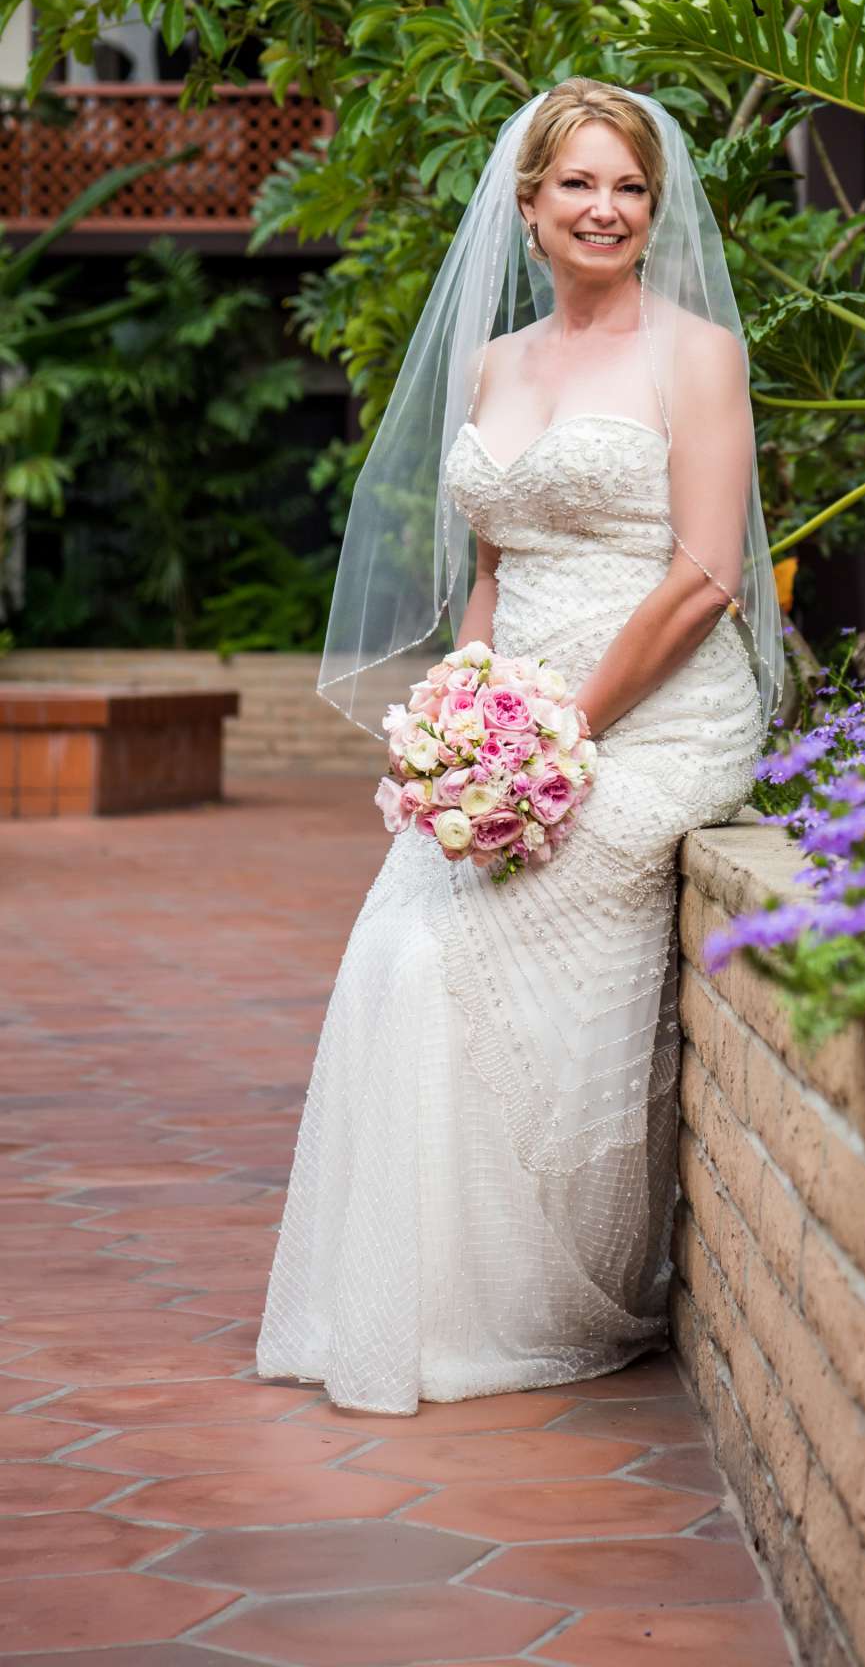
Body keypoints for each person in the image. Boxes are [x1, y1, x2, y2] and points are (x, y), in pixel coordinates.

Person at [256, 80, 781, 1413]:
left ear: (653, 212)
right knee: (397, 945)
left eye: (629, 188)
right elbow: (490, 579)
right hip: (519, 722)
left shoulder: (695, 352)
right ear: (528, 207)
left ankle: (566, 1289)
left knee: (470, 945)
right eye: (579, 187)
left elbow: (708, 575)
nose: (605, 210)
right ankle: (414, 1300)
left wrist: (562, 737)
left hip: (659, 714)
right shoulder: (493, 367)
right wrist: (460, 726)